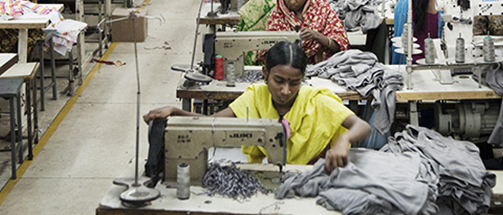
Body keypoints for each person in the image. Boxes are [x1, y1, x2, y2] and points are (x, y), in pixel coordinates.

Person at [144, 41, 370, 169]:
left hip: (315, 173)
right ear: (265, 74)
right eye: (278, 81)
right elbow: (212, 122)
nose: (285, 90)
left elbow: (362, 126)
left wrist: (343, 140)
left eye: (294, 83)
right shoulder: (255, 97)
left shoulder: (316, 99)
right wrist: (176, 112)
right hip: (268, 170)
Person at [265, 0, 349, 64]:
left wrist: (316, 36)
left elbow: (340, 45)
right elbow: (267, 51)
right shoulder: (277, 15)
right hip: (288, 68)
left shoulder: (321, 8)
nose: (292, 1)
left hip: (323, 66)